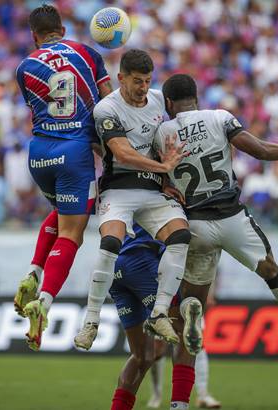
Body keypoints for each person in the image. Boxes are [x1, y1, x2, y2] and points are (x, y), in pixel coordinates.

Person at [154, 75, 278, 405]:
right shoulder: (219, 117)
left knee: (192, 311)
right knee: (271, 269)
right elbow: (259, 150)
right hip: (232, 218)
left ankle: (178, 403)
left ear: (169, 104)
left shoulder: (162, 132)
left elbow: (154, 173)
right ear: (196, 97)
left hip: (195, 225)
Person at [11, 4, 112, 351]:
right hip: (75, 154)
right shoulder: (86, 52)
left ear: (33, 35)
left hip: (39, 155)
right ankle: (45, 301)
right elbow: (109, 104)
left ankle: (33, 272)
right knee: (73, 231)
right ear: (62, 29)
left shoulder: (25, 68)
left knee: (62, 215)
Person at [74, 49, 190, 350]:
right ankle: (91, 321)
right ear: (121, 78)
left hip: (152, 190)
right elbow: (123, 153)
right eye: (137, 81)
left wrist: (165, 179)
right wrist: (164, 168)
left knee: (180, 236)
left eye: (147, 81)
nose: (143, 88)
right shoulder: (106, 109)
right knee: (110, 244)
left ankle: (160, 312)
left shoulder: (155, 100)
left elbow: (158, 143)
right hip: (119, 189)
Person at [108, 224, 202, 410]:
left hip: (115, 267)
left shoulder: (126, 196)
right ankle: (179, 406)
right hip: (141, 261)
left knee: (142, 356)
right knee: (185, 330)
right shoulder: (164, 197)